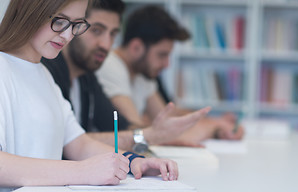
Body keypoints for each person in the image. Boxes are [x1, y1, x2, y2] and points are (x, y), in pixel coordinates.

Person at [0, 0, 178, 187]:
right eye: (59, 21)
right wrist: (82, 171)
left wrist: (134, 162)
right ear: (25, 8)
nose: (68, 35)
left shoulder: (44, 76)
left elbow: (79, 144)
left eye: (76, 25)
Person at [41, 0, 211, 151]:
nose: (106, 45)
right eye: (97, 30)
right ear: (75, 25)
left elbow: (121, 127)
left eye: (113, 34)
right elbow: (65, 142)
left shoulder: (86, 77)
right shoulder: (48, 70)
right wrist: (152, 136)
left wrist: (161, 137)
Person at [96, 5, 245, 143]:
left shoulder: (141, 73)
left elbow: (167, 118)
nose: (167, 64)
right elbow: (140, 133)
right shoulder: (110, 66)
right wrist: (212, 128)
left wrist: (216, 122)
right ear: (136, 47)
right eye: (162, 55)